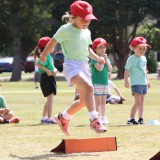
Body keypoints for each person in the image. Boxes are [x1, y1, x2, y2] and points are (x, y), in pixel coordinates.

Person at [40, 0, 107, 135]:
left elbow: (87, 49)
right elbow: (52, 43)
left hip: (84, 66)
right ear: (74, 17)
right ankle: (95, 120)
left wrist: (97, 57)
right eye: (83, 19)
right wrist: (43, 55)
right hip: (71, 65)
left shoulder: (86, 32)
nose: (87, 22)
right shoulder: (65, 30)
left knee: (83, 101)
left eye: (89, 19)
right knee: (89, 88)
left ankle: (63, 117)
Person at [124, 37, 151, 125]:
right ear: (133, 48)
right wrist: (126, 81)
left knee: (142, 102)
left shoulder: (144, 58)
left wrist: (148, 80)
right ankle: (131, 119)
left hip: (144, 83)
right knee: (137, 102)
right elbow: (126, 70)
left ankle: (140, 118)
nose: (142, 50)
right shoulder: (131, 59)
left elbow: (145, 70)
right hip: (136, 83)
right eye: (140, 48)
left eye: (144, 48)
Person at [34, 36, 58, 124]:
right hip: (46, 78)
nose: (54, 46)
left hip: (49, 78)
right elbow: (38, 64)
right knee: (50, 100)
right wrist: (47, 71)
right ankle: (49, 118)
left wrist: (54, 69)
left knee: (49, 99)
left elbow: (51, 66)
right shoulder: (43, 56)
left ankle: (44, 117)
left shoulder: (48, 56)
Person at [90, 38, 113, 124]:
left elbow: (110, 69)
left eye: (104, 47)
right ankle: (96, 118)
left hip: (105, 83)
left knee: (104, 101)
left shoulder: (106, 58)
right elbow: (99, 69)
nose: (103, 49)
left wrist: (106, 60)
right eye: (100, 47)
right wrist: (102, 60)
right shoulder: (94, 59)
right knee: (98, 102)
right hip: (97, 83)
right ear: (95, 49)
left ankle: (103, 117)